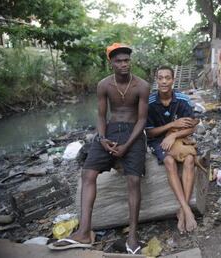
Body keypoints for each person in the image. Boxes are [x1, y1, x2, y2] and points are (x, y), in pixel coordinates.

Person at [49, 43, 150, 254]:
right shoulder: (104, 85)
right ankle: (84, 232)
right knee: (88, 173)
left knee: (133, 179)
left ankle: (132, 236)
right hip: (110, 131)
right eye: (118, 61)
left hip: (133, 132)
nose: (123, 64)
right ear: (111, 63)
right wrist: (102, 138)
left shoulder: (141, 85)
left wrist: (126, 147)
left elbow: (142, 120)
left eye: (126, 60)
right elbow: (101, 116)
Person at [146, 66, 199, 233]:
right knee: (169, 161)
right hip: (158, 140)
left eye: (167, 78)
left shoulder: (182, 99)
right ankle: (187, 210)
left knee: (190, 159)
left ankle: (183, 211)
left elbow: (191, 128)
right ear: (156, 80)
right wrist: (171, 125)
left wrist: (173, 135)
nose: (163, 81)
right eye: (160, 78)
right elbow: (149, 132)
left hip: (179, 136)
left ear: (173, 80)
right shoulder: (150, 103)